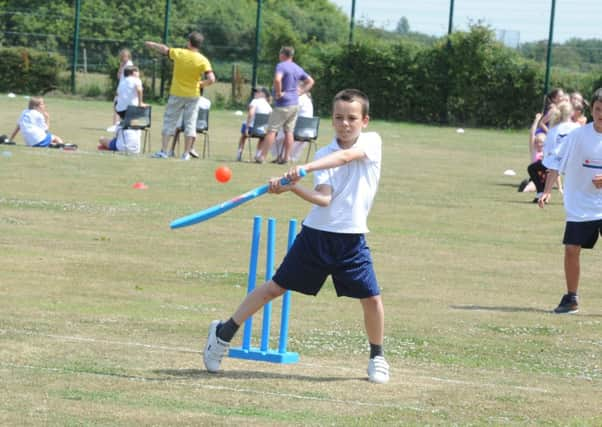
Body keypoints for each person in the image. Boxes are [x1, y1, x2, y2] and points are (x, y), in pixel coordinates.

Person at [203, 89, 390, 384]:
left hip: (351, 240)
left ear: (364, 120)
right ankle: (222, 334)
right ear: (332, 119)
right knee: (274, 288)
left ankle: (377, 356)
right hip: (316, 236)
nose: (345, 124)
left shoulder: (372, 142)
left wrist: (303, 168)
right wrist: (292, 188)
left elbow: (346, 158)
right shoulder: (323, 152)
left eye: (352, 118)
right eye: (339, 118)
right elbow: (324, 199)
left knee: (371, 298)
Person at [538, 88, 602, 314]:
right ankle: (571, 298)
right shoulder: (577, 135)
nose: (601, 114)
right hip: (581, 206)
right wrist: (546, 190)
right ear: (591, 110)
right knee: (571, 249)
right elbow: (556, 161)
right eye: (597, 109)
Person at [145, 31, 216, 160]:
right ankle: (186, 154)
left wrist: (151, 44)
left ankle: (164, 151)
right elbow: (211, 79)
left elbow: (164, 49)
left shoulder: (179, 53)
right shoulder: (203, 60)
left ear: (189, 42)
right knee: (190, 123)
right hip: (193, 95)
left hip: (177, 93)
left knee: (169, 121)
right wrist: (200, 84)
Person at [255, 46, 314, 164]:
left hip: (283, 103)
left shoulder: (281, 66)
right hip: (294, 104)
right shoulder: (297, 68)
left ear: (282, 54)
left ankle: (262, 157)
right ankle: (286, 157)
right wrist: (301, 91)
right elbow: (311, 81)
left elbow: (277, 80)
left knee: (272, 130)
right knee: (289, 132)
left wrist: (278, 93)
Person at [271, 86, 314, 162]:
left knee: (277, 132)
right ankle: (283, 156)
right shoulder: (307, 99)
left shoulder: (299, 99)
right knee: (283, 131)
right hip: (308, 131)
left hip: (299, 129)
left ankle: (283, 156)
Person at [237, 87, 272, 161]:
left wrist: (246, 127)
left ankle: (239, 155)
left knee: (243, 136)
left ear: (263, 94)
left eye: (257, 92)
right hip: (262, 131)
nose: (255, 93)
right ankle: (258, 155)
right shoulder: (269, 106)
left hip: (251, 129)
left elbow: (251, 113)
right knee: (262, 138)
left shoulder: (255, 101)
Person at [108, 48, 134, 132]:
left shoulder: (129, 65)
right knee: (117, 105)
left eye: (125, 56)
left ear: (128, 57)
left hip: (125, 89)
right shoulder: (123, 65)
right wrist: (120, 66)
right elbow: (119, 77)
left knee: (118, 105)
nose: (123, 58)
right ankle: (117, 124)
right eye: (122, 56)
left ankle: (116, 125)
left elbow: (129, 78)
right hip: (121, 87)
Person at [519, 112, 545, 193]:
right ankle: (525, 188)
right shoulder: (534, 151)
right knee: (534, 186)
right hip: (537, 177)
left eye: (541, 142)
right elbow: (532, 133)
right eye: (536, 142)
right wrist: (537, 120)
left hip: (545, 177)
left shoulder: (547, 151)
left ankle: (527, 186)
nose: (538, 144)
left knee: (542, 187)